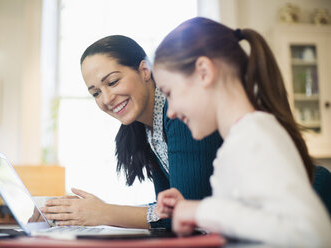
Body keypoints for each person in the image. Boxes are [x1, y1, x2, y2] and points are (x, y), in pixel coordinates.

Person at [153, 17, 331, 246]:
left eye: (169, 93)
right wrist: (191, 211)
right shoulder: (242, 138)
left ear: (204, 72)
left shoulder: (254, 136)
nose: (171, 112)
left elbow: (308, 233)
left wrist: (201, 210)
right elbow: (255, 223)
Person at [41, 35, 223, 229]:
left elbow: (185, 214)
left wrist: (103, 213)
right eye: (96, 93)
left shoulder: (179, 113)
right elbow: (165, 210)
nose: (107, 98)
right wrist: (74, 212)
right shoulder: (147, 129)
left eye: (112, 82)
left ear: (144, 71)